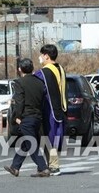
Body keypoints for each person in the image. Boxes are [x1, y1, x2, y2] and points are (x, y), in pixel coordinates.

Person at [4, 58, 50, 178]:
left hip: (26, 117)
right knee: (26, 143)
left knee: (30, 143)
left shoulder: (20, 83)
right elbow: (43, 101)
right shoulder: (40, 82)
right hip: (37, 117)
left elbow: (19, 102)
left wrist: (16, 117)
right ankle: (15, 167)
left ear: (20, 69)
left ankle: (43, 168)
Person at [33, 44, 66, 176]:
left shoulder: (44, 73)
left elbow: (38, 90)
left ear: (46, 56)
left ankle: (53, 166)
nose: (40, 57)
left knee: (48, 138)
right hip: (60, 109)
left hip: (49, 110)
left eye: (41, 55)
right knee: (53, 138)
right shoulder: (60, 69)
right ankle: (50, 165)